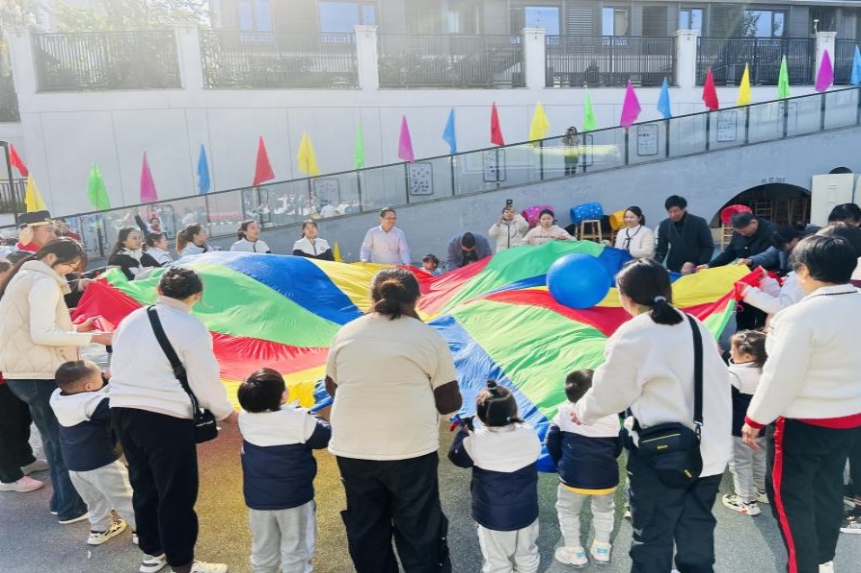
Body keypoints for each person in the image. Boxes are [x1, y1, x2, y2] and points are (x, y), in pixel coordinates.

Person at [571, 259, 731, 573]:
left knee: (652, 537)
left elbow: (611, 393)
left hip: (662, 454)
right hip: (709, 449)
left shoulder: (634, 333)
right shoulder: (694, 324)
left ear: (625, 296)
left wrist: (582, 411)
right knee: (696, 532)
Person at [324, 268, 462, 573]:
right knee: (419, 527)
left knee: (367, 527)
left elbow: (333, 386)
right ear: (416, 298)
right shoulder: (428, 336)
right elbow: (449, 402)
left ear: (373, 297)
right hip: (410, 447)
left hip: (353, 447)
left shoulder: (347, 332)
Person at [741, 234, 861, 573]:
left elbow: (780, 378)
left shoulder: (799, 316)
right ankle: (824, 559)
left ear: (804, 270)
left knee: (789, 499)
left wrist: (754, 419)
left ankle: (802, 567)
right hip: (850, 416)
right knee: (828, 488)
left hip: (803, 423)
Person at [109, 267, 238, 573]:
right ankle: (183, 562)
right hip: (164, 417)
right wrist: (228, 414)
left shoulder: (132, 319)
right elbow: (205, 382)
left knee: (144, 485)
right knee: (176, 492)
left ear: (159, 290)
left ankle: (152, 555)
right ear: (197, 296)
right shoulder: (190, 327)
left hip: (122, 409)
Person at [0, 238, 112, 524]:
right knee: (64, 442)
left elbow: (32, 329)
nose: (70, 272)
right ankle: (70, 508)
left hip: (22, 374)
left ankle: (61, 501)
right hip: (42, 374)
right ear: (51, 257)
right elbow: (42, 334)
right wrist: (95, 337)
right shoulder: (44, 282)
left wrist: (75, 327)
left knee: (53, 441)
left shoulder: (24, 275)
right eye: (70, 265)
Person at [237, 368, 331, 573]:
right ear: (282, 395)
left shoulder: (245, 418)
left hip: (258, 502)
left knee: (263, 551)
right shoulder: (299, 419)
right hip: (294, 499)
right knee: (296, 550)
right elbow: (324, 437)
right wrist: (313, 412)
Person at [448, 380, 541, 573]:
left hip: (493, 517)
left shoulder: (476, 441)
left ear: (481, 416)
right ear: (514, 411)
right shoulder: (530, 433)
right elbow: (520, 426)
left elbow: (457, 457)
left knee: (497, 560)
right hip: (527, 511)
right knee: (527, 552)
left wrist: (464, 431)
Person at [50, 360, 136, 546]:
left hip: (74, 464)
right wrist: (116, 381)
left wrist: (106, 383)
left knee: (94, 500)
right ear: (88, 386)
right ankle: (144, 531)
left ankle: (99, 530)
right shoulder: (93, 404)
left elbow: (93, 395)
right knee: (125, 498)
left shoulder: (57, 396)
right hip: (102, 463)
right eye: (100, 377)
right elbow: (119, 406)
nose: (103, 377)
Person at [546, 369, 620, 567]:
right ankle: (602, 548)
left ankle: (574, 551)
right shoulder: (611, 414)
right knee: (604, 511)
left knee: (568, 512)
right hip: (606, 477)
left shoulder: (563, 411)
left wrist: (560, 463)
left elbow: (551, 441)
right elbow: (617, 447)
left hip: (573, 476)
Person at [0, 258, 49, 494]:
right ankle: (9, 476)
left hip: (11, 370)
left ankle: (24, 459)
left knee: (20, 419)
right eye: (8, 275)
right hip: (3, 372)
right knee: (5, 426)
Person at [721, 331, 769, 517]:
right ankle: (763, 492)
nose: (730, 352)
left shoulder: (734, 375)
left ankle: (746, 501)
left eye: (733, 349)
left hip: (737, 429)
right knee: (760, 459)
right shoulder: (766, 370)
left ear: (748, 356)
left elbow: (722, 400)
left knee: (740, 463)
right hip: (762, 425)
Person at [699, 212, 778, 271]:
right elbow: (730, 252)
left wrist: (749, 262)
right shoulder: (739, 232)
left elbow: (770, 257)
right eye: (739, 232)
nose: (742, 235)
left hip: (767, 272)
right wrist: (710, 265)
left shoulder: (772, 232)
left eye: (744, 231)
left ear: (753, 222)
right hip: (744, 270)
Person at [654, 195, 714, 273]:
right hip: (673, 266)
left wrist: (696, 264)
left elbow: (708, 247)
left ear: (684, 208)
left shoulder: (699, 222)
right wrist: (654, 265)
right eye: (670, 212)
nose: (673, 214)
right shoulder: (664, 225)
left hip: (696, 267)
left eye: (676, 211)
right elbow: (661, 250)